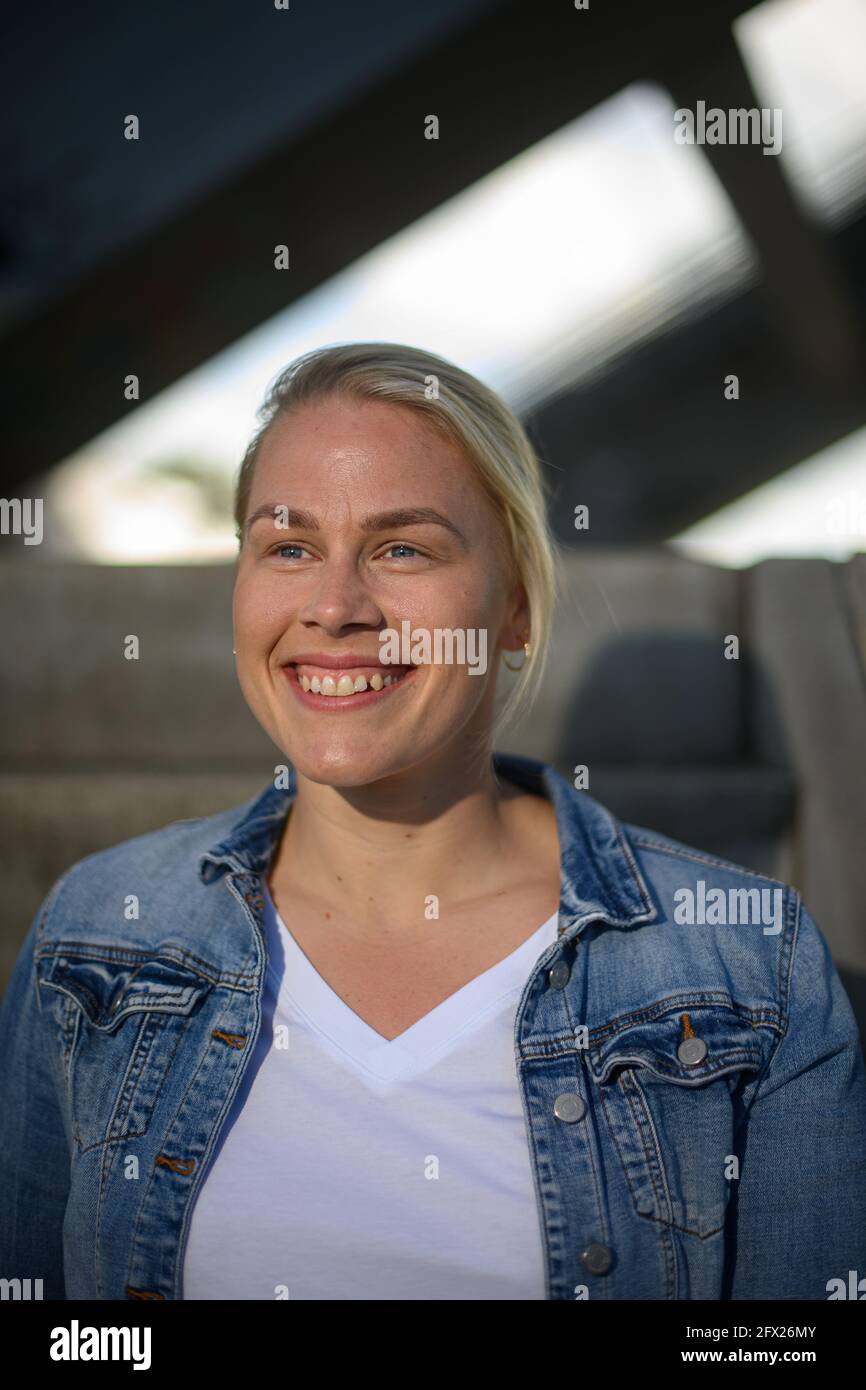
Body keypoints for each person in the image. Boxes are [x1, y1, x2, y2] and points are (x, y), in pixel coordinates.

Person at [1, 341, 864, 1301]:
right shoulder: (95, 934)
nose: (334, 607)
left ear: (518, 607)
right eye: (289, 546)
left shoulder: (753, 966)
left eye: (403, 548)